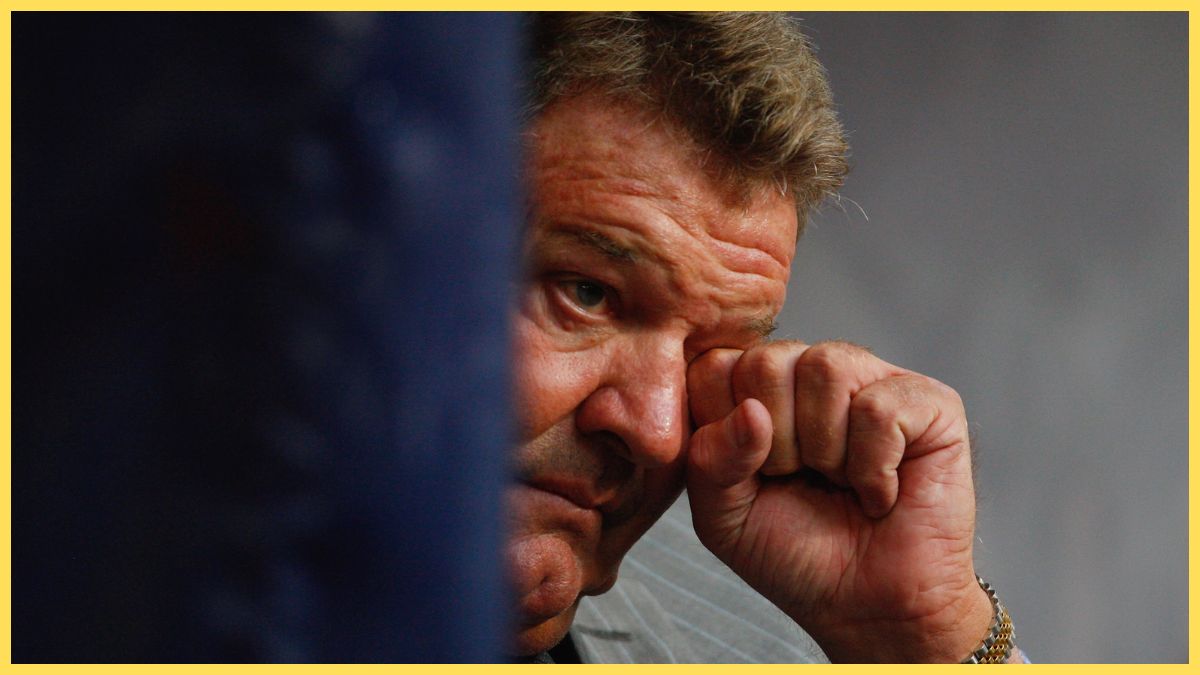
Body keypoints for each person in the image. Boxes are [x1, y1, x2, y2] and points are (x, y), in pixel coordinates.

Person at [506, 12, 1022, 663]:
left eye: (713, 355)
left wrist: (926, 638)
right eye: (587, 294)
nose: (658, 432)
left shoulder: (767, 649)